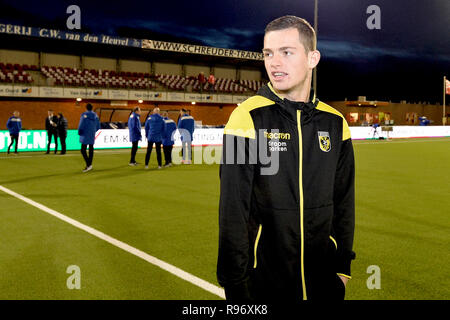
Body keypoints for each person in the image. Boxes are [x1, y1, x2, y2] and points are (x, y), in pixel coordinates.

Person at [217, 16, 355, 302]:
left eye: (287, 52)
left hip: (324, 282)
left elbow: (344, 201)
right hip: (263, 284)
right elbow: (233, 210)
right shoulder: (245, 118)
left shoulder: (335, 122)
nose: (274, 62)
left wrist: (342, 269)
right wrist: (235, 284)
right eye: (268, 53)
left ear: (312, 58)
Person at [77, 103, 100, 172]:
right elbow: (98, 126)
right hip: (92, 134)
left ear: (86, 108)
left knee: (83, 150)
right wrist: (93, 131)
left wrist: (79, 132)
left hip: (85, 133)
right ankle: (89, 164)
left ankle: (88, 164)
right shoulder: (96, 116)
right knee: (91, 149)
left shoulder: (84, 115)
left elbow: (81, 124)